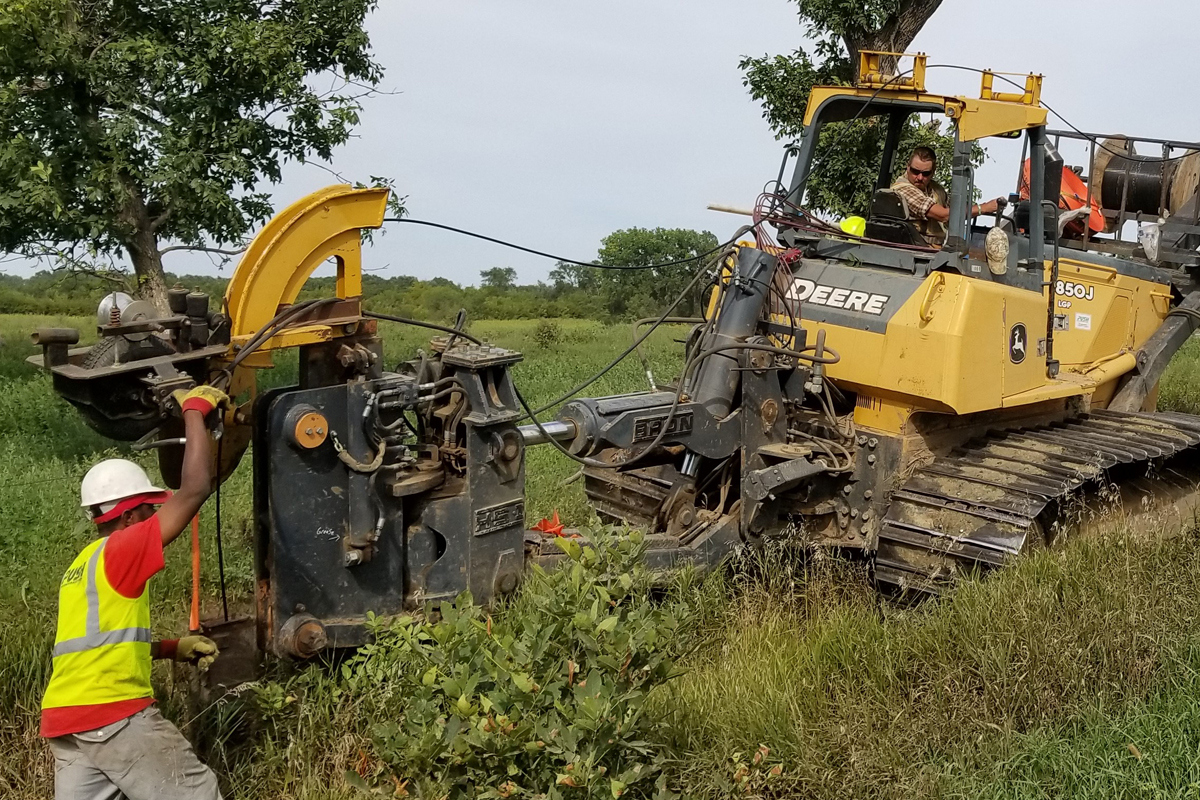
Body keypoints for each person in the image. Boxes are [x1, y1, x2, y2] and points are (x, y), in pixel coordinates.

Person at [41, 384, 229, 800]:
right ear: (128, 515)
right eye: (149, 509)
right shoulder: (123, 549)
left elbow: (96, 645)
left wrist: (168, 648)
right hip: (114, 716)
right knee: (197, 794)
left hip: (67, 721)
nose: (156, 517)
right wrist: (195, 410)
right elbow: (194, 489)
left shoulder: (82, 565)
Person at [891, 146, 1006, 247]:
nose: (920, 177)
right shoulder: (903, 190)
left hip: (935, 249)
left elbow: (955, 213)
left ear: (933, 172)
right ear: (908, 167)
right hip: (915, 249)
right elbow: (943, 215)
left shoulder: (936, 190)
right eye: (915, 171)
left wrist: (979, 208)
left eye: (926, 173)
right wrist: (983, 208)